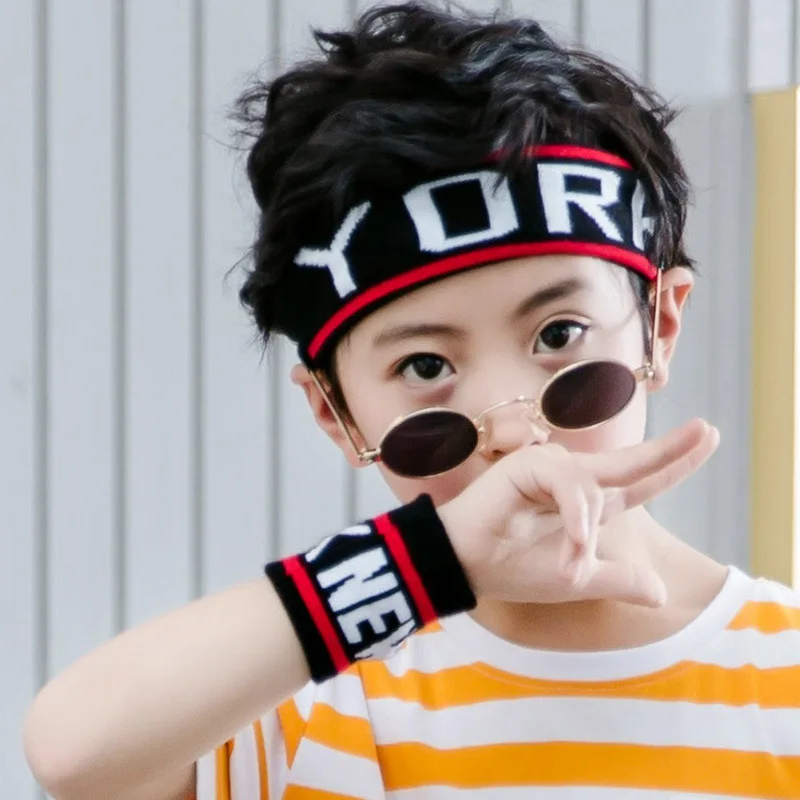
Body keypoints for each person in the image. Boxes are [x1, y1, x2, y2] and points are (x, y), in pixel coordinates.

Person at [22, 3, 800, 799]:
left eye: (559, 333)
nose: (510, 426)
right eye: (426, 364)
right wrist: (425, 564)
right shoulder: (306, 705)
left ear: (659, 327)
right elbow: (72, 754)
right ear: (336, 413)